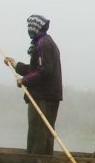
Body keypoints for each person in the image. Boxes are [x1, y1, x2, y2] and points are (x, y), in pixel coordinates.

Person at [4, 14, 62, 155]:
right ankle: (40, 160)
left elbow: (44, 71)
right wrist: (15, 64)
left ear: (35, 27)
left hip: (44, 97)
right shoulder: (42, 43)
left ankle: (38, 162)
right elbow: (34, 70)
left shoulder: (43, 44)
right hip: (46, 95)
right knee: (40, 132)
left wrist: (24, 81)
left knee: (39, 131)